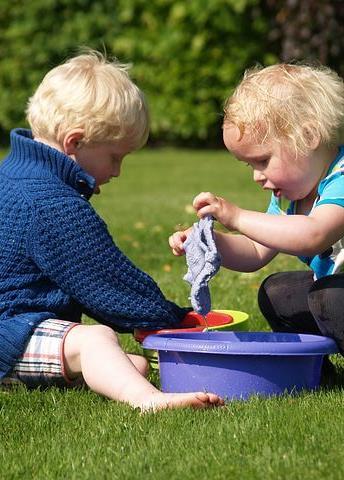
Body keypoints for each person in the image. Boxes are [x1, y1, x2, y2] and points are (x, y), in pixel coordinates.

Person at [0, 50, 223, 412]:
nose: (117, 171)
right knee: (97, 340)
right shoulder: (51, 203)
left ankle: (28, 380)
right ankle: (148, 401)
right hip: (10, 329)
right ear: (74, 142)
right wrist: (171, 319)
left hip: (18, 329)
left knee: (128, 365)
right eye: (115, 157)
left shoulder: (14, 173)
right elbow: (108, 283)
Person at [169, 63, 344, 372]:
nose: (256, 176)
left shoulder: (341, 178)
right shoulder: (288, 196)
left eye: (263, 160)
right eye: (248, 164)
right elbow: (254, 252)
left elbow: (313, 235)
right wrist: (208, 241)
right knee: (277, 292)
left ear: (309, 136)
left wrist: (235, 216)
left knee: (327, 296)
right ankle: (312, 369)